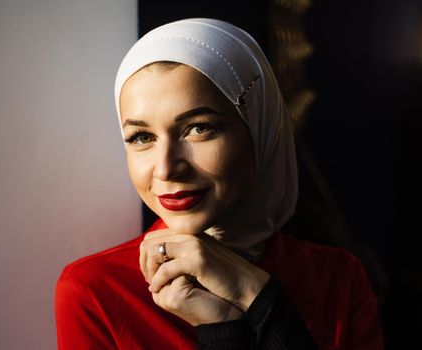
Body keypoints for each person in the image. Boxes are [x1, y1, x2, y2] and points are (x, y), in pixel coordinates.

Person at [55, 18, 383, 349]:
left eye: (199, 128)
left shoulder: (338, 279)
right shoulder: (95, 291)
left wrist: (256, 296)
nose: (167, 168)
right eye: (142, 136)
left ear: (260, 131)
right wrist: (224, 328)